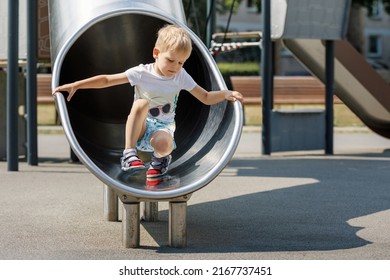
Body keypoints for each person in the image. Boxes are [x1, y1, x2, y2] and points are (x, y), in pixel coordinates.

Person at [52, 24, 243, 178]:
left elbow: (206, 97)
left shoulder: (181, 76)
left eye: (181, 62)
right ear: (156, 53)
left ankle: (160, 160)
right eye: (171, 60)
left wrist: (226, 93)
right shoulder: (142, 73)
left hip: (163, 127)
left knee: (165, 145)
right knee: (141, 103)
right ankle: (129, 153)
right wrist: (76, 84)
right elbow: (108, 80)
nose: (175, 67)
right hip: (141, 125)